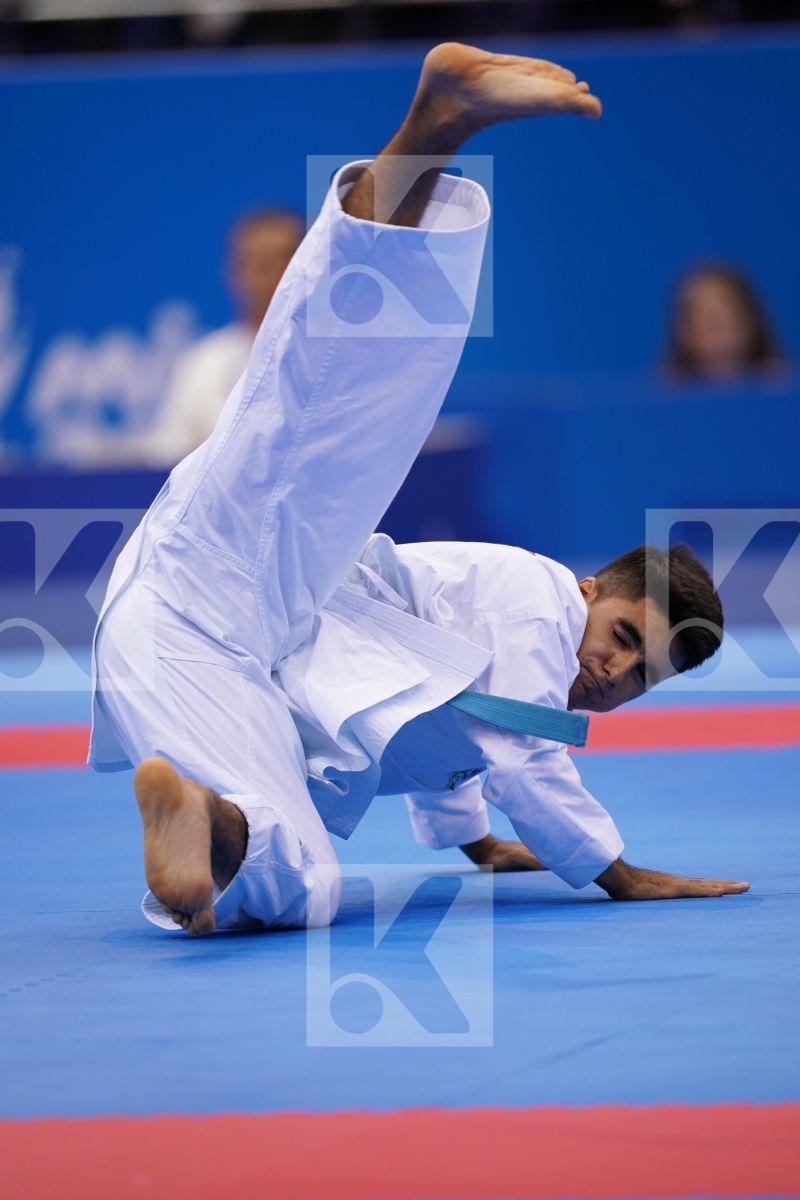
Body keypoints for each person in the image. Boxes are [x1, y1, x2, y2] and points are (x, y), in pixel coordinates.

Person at [90, 42, 749, 937]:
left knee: (308, 881)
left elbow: (458, 731)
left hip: (196, 653)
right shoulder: (543, 607)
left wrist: (474, 844)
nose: (616, 671)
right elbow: (520, 756)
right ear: (590, 588)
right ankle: (435, 124)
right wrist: (618, 875)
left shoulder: (517, 666)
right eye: (626, 637)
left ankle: (208, 825)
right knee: (330, 390)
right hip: (233, 574)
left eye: (644, 675)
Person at [144, 208, 304, 466]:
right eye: (255, 260)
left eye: (282, 258)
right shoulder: (202, 363)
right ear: (233, 272)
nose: (267, 271)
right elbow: (168, 454)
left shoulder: (337, 357)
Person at [666, 262, 785, 382]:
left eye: (716, 317)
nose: (704, 325)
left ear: (749, 320)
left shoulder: (780, 383)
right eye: (693, 315)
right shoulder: (668, 386)